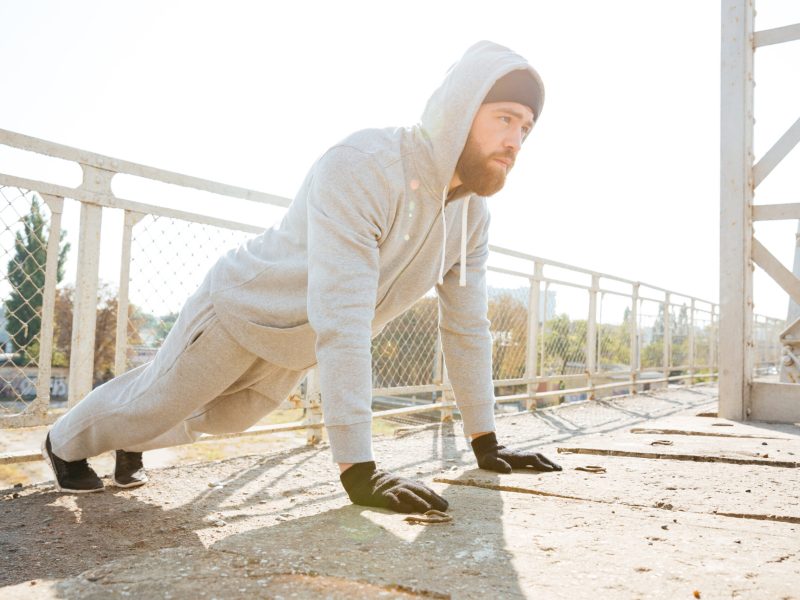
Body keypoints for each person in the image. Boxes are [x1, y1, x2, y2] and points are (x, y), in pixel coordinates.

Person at [42, 40, 562, 513]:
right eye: (505, 118)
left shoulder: (472, 218)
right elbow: (345, 318)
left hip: (300, 342)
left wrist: (485, 440)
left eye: (526, 128)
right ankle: (62, 443)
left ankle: (132, 437)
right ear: (463, 108)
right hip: (243, 308)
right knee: (157, 402)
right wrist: (359, 470)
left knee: (225, 419)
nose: (516, 139)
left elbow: (467, 329)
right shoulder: (364, 165)